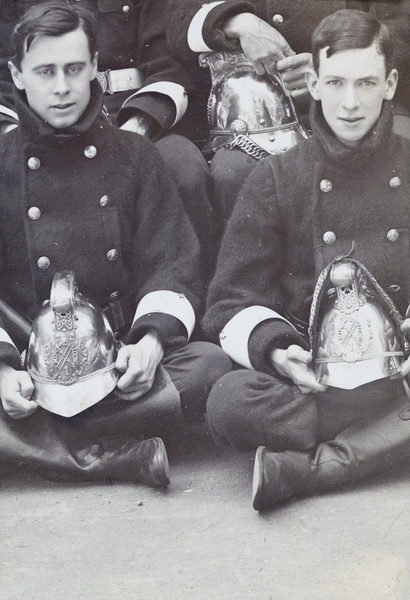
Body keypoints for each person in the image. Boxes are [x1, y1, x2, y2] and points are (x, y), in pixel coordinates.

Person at [0, 3, 232, 485]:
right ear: (17, 76)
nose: (61, 87)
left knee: (209, 366)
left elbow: (171, 261)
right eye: (45, 71)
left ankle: (37, 448)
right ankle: (118, 456)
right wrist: (2, 370)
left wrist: (149, 342)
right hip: (26, 362)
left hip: (116, 359)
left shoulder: (136, 155)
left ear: (94, 69)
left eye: (73, 69)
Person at [202, 9, 410, 510]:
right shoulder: (277, 176)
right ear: (313, 83)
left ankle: (313, 468)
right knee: (228, 403)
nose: (351, 102)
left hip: (401, 372)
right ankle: (382, 440)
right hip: (316, 384)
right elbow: (230, 299)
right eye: (336, 82)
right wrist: (277, 353)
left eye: (366, 82)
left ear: (390, 84)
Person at [0, 0, 215, 280]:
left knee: (185, 166)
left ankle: (189, 298)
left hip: (135, 114)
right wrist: (17, 140)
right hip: (37, 124)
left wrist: (135, 133)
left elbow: (169, 62)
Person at [167, 0, 410, 223]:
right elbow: (176, 21)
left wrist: (335, 65)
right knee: (233, 174)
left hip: (357, 102)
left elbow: (402, 21)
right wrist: (235, 22)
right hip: (253, 123)